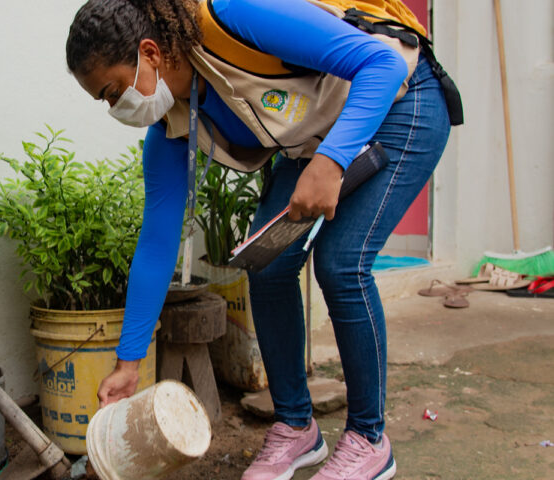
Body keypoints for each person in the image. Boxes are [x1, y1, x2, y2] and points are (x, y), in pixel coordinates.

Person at [66, 1, 458, 479]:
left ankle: (369, 439)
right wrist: (129, 362)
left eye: (111, 92)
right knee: (267, 265)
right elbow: (155, 245)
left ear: (150, 52)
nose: (114, 108)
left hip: (401, 100)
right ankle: (297, 428)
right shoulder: (172, 128)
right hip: (319, 135)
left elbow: (383, 64)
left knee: (341, 263)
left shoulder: (235, 14)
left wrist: (331, 161)